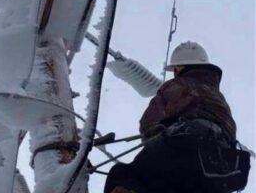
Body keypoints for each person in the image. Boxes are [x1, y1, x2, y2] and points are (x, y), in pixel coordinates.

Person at [104, 41, 250, 193]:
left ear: (180, 68)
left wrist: (152, 141)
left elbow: (150, 121)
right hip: (216, 167)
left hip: (183, 145)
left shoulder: (178, 84)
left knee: (123, 175)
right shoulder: (219, 100)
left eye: (175, 69)